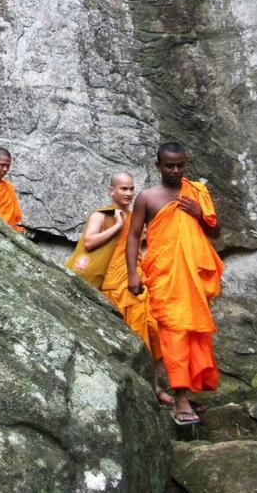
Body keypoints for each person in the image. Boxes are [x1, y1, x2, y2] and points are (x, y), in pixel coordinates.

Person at [127, 143, 222, 426]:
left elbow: (216, 231)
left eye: (180, 164)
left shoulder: (196, 193)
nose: (176, 170)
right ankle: (180, 399)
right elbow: (133, 236)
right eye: (170, 165)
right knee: (174, 334)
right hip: (166, 276)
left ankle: (188, 393)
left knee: (193, 335)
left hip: (192, 275)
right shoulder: (147, 198)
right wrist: (133, 274)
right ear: (158, 165)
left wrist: (199, 214)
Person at [65, 173, 169, 404]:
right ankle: (139, 392)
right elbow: (90, 241)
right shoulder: (101, 216)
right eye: (123, 189)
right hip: (113, 286)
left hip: (135, 282)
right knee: (131, 337)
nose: (129, 193)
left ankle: (156, 387)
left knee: (152, 331)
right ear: (111, 191)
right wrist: (118, 226)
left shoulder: (134, 216)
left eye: (131, 189)